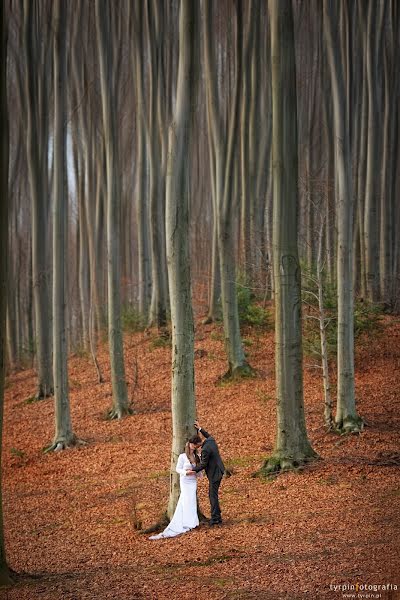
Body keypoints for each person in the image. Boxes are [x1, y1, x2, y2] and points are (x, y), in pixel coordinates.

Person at [149, 436, 203, 540]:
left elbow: (199, 469)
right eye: (193, 445)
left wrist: (198, 473)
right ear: (189, 444)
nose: (194, 447)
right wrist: (186, 472)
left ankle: (192, 521)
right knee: (186, 500)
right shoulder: (182, 456)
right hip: (185, 481)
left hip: (193, 481)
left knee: (191, 501)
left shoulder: (197, 456)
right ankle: (186, 522)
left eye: (195, 446)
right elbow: (177, 469)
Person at [187, 421, 225, 526]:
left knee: (212, 496)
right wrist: (200, 429)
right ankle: (217, 515)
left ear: (196, 444)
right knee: (213, 495)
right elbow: (209, 436)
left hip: (215, 474)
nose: (193, 448)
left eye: (193, 446)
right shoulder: (210, 441)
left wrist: (193, 470)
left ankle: (215, 519)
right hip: (219, 470)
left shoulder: (205, 450)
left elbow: (203, 464)